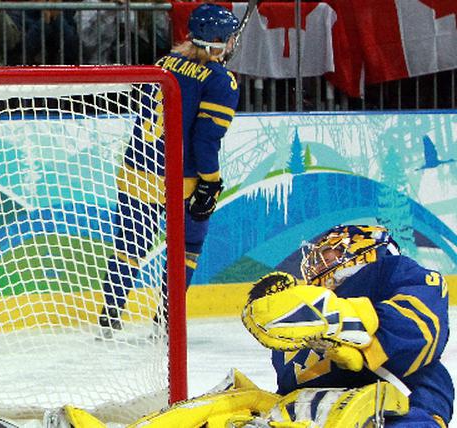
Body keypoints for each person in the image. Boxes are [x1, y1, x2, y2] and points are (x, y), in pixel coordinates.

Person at [97, 3, 240, 337]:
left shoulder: (165, 63)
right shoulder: (221, 81)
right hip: (180, 179)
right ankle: (166, 320)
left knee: (128, 247)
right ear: (218, 40)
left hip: (135, 169)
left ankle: (108, 319)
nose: (233, 41)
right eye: (229, 36)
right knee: (187, 247)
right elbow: (205, 141)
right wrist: (211, 182)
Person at [244, 225, 452, 426]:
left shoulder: (388, 271)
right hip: (323, 412)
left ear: (362, 248)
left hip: (403, 401)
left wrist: (354, 327)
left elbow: (422, 319)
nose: (316, 265)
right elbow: (292, 386)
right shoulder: (308, 311)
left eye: (328, 252)